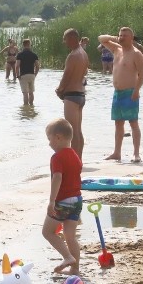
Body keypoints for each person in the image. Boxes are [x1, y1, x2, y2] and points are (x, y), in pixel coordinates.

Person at [42, 118, 83, 275]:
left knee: (47, 232)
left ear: (58, 137)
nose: (49, 143)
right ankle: (75, 269)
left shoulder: (57, 157)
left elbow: (57, 177)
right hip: (77, 201)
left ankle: (67, 257)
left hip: (63, 202)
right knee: (70, 237)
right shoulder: (75, 156)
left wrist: (52, 201)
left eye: (50, 139)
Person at [99, 27, 143, 162]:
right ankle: (117, 152)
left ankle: (136, 153)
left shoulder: (136, 54)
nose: (122, 37)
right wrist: (115, 38)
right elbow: (101, 39)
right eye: (121, 35)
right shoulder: (116, 49)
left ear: (132, 38)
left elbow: (142, 74)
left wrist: (137, 90)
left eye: (125, 35)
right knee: (118, 123)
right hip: (117, 93)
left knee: (133, 123)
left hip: (130, 92)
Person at [55, 28, 89, 159]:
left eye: (65, 39)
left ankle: (74, 160)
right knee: (78, 131)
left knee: (71, 131)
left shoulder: (73, 55)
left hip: (71, 95)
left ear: (72, 38)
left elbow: (66, 75)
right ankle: (79, 158)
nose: (64, 42)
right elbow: (85, 72)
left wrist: (59, 89)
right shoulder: (84, 53)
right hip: (81, 94)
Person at [15, 38, 40, 105]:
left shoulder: (20, 55)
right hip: (31, 75)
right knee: (31, 92)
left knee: (25, 93)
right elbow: (37, 66)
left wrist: (17, 75)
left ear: (23, 45)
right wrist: (35, 74)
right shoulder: (34, 55)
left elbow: (17, 66)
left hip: (23, 75)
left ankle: (26, 108)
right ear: (29, 45)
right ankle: (31, 106)